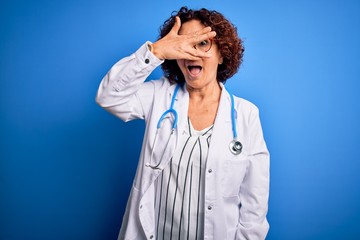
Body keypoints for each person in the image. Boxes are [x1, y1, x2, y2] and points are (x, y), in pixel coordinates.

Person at [96, 6, 270, 240]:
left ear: (221, 54)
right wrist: (156, 51)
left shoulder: (246, 115)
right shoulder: (159, 96)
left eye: (202, 44)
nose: (191, 53)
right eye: (184, 44)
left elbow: (254, 207)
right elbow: (109, 96)